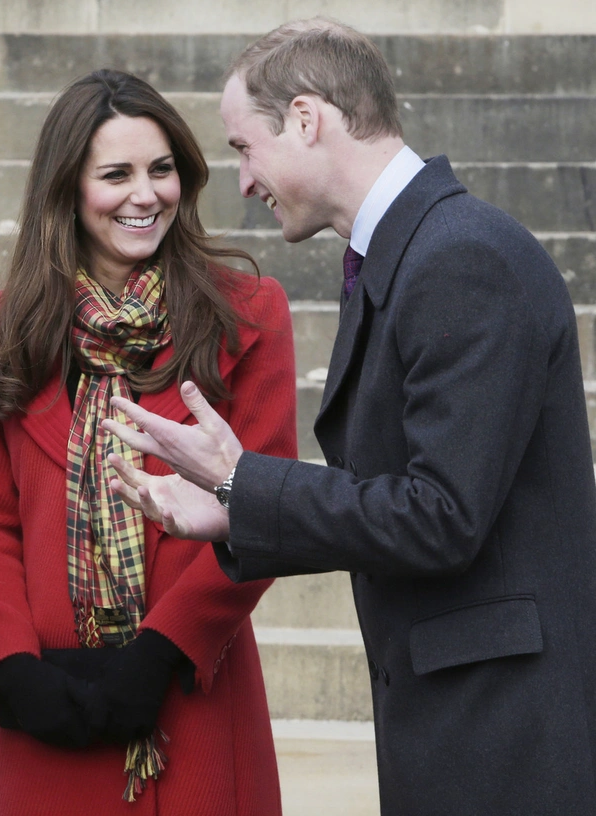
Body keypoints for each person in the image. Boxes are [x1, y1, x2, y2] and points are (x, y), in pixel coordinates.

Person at [103, 18, 596, 816]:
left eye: (242, 147)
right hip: (462, 724)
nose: (243, 182)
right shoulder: (412, 251)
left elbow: (441, 516)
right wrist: (236, 510)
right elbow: (403, 499)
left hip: (505, 742)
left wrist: (242, 482)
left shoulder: (460, 256)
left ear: (306, 119)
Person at [0, 68, 297, 815]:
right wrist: (10, 667)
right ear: (68, 188)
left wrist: (161, 652)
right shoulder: (0, 329)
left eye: (161, 169)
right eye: (117, 174)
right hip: (48, 713)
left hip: (192, 696)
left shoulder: (251, 313)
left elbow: (267, 509)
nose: (147, 195)